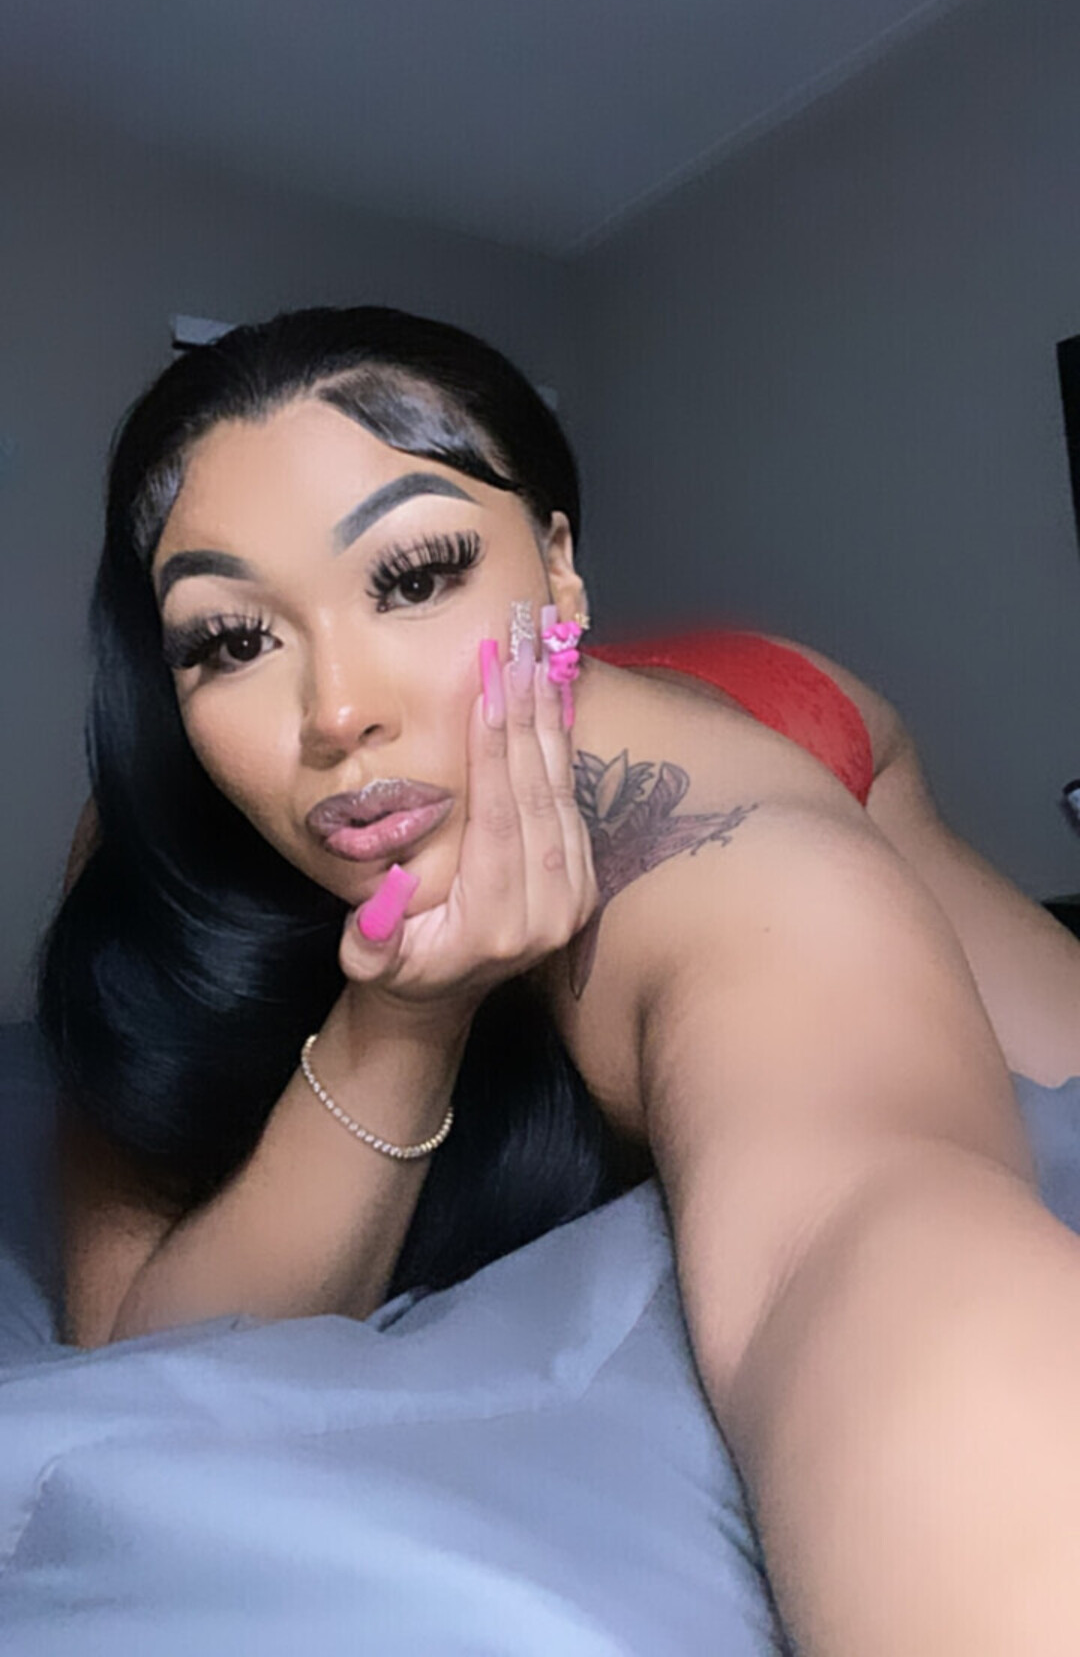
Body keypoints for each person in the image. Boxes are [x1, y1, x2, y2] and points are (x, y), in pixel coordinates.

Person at [40, 305, 1080, 1654]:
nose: (337, 712)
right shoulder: (150, 837)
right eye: (233, 640)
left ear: (560, 570)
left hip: (781, 719)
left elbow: (860, 1221)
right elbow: (132, 1345)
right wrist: (403, 1017)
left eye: (416, 574)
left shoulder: (698, 833)